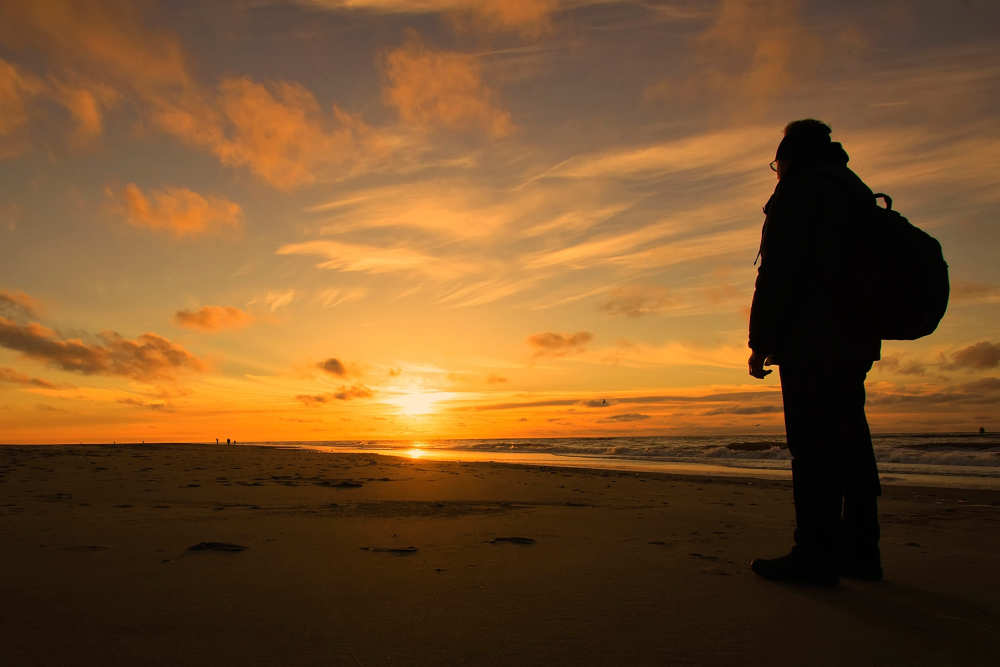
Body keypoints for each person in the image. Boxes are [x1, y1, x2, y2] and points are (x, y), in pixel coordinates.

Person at [747, 119, 883, 586]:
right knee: (850, 443)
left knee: (811, 449)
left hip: (810, 340)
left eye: (776, 162)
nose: (776, 170)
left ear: (787, 156)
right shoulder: (853, 188)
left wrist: (760, 342)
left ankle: (815, 555)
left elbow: (778, 273)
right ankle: (863, 551)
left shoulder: (799, 191)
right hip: (856, 338)